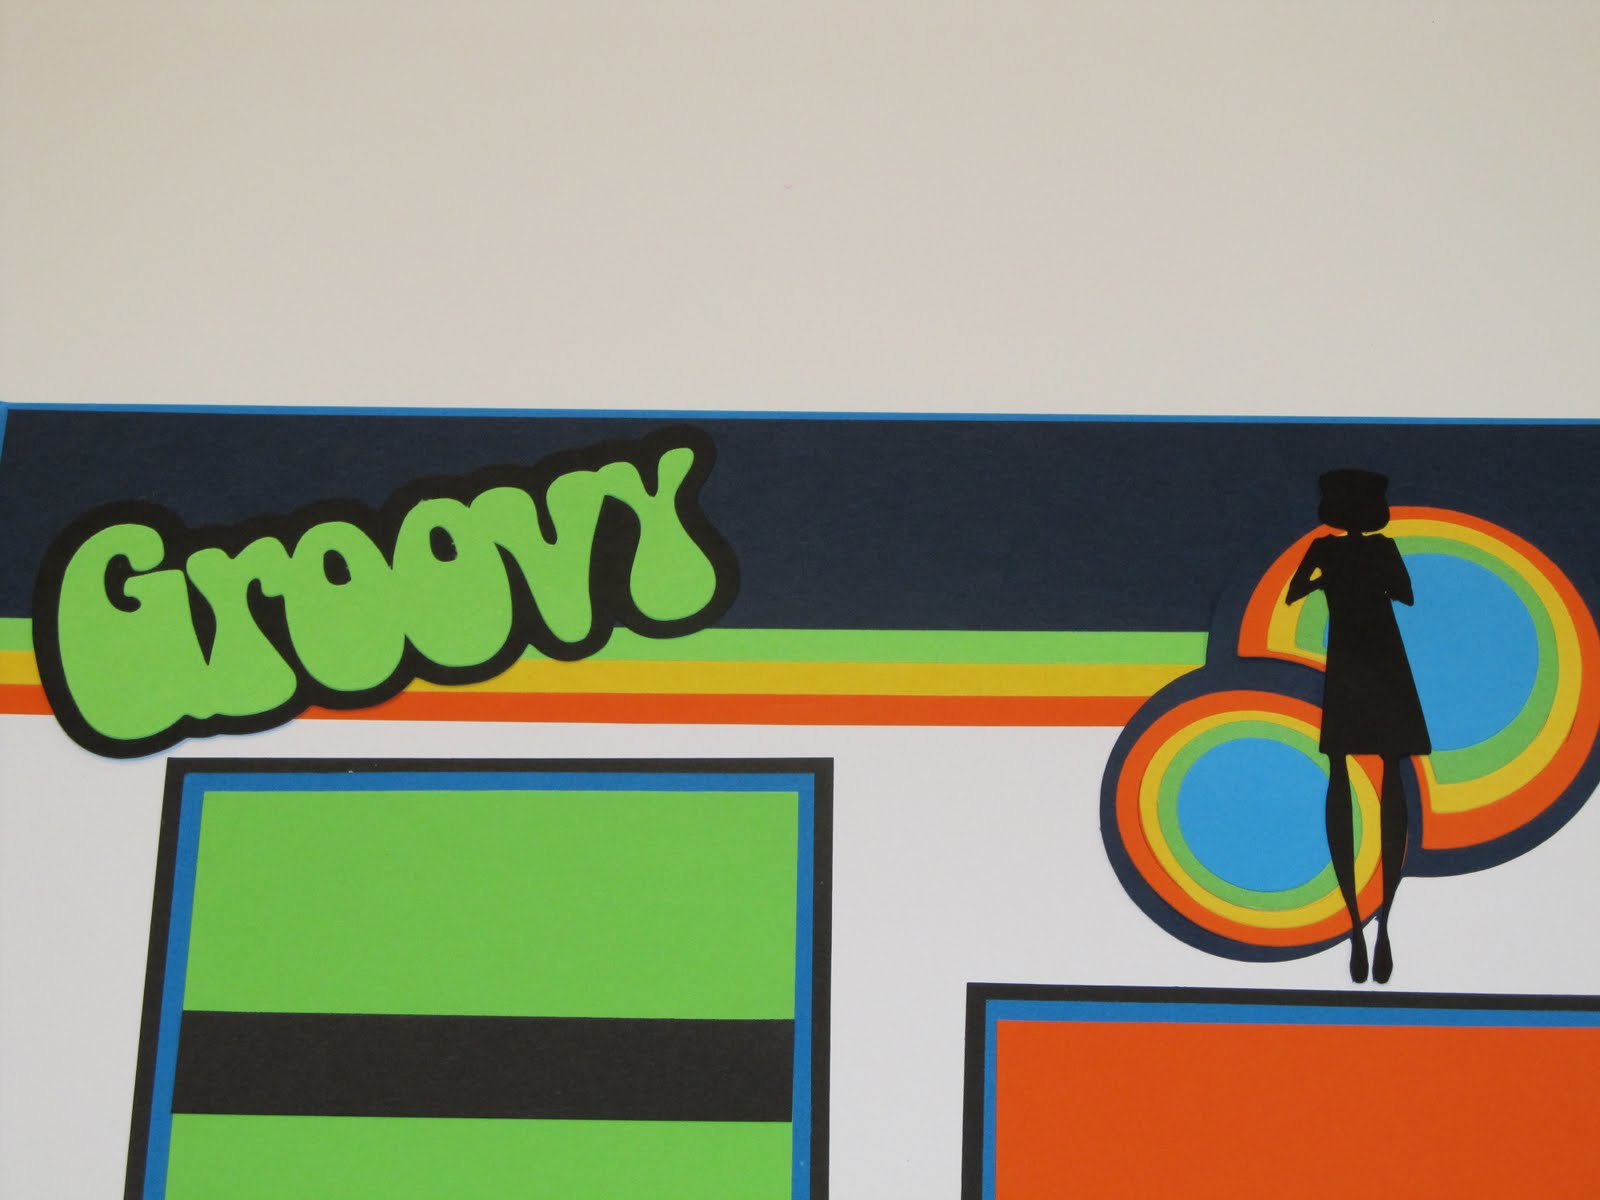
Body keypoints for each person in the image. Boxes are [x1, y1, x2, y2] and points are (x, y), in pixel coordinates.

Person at [1285, 469, 1430, 983]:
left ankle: (1372, 924)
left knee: (1352, 773)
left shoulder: (1328, 550)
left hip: (1358, 660)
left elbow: (1298, 591)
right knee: (1371, 772)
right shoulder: (1369, 549)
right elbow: (1403, 593)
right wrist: (1354, 580)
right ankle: (1368, 924)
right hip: (1373, 660)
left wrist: (1330, 580)